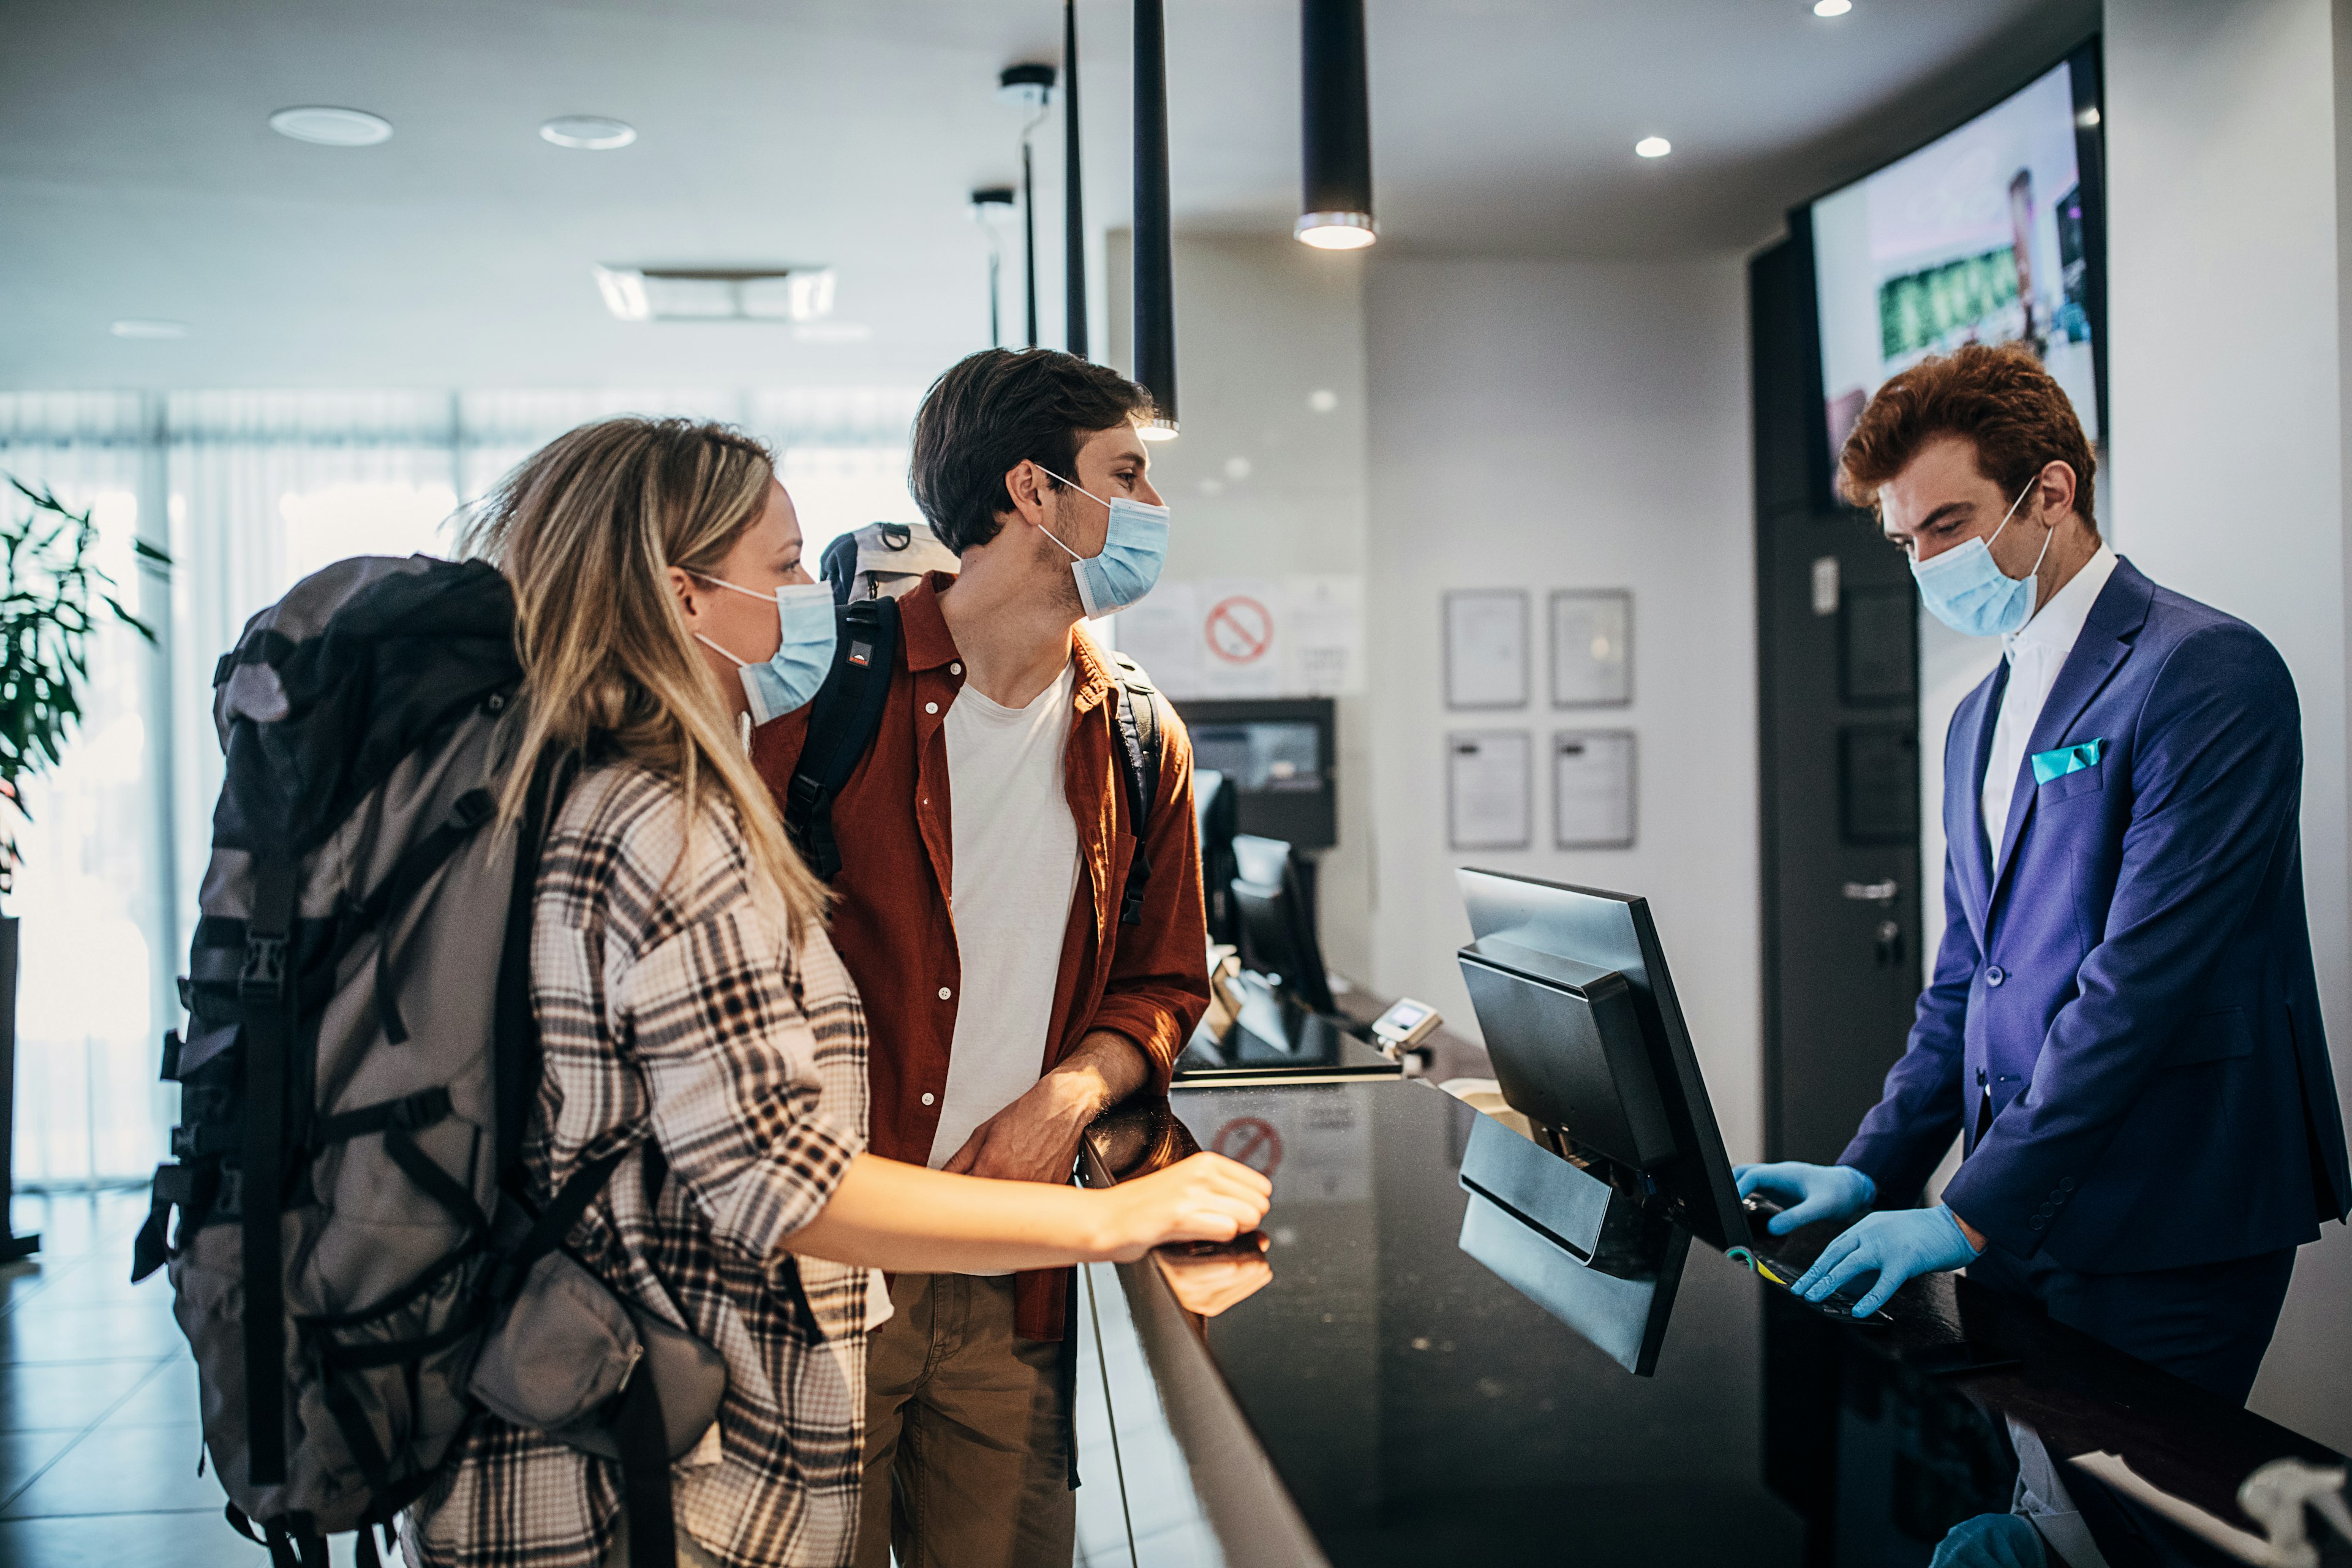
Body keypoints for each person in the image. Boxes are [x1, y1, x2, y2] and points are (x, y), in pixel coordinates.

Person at [407, 417, 1268, 1568]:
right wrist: (1117, 1217)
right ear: (682, 594)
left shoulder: (561, 788)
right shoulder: (666, 825)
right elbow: (784, 1179)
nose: (819, 593)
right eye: (783, 568)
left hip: (606, 1398)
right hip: (650, 1466)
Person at [1735, 345, 2350, 1404]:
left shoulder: (2205, 671)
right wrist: (1874, 1167)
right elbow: (1965, 980)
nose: (1926, 563)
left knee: (2139, 1533)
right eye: (1904, 539)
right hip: (2017, 1212)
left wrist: (1967, 1210)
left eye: (1948, 525)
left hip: (2171, 1211)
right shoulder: (1976, 716)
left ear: (2050, 493)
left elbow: (2139, 987)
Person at [751, 349, 1202, 1568]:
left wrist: (1069, 1092)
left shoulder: (1141, 735)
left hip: (1017, 1276)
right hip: (821, 1279)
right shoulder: (819, 701)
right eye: (1129, 474)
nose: (1155, 510)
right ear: (1035, 492)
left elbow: (1163, 983)